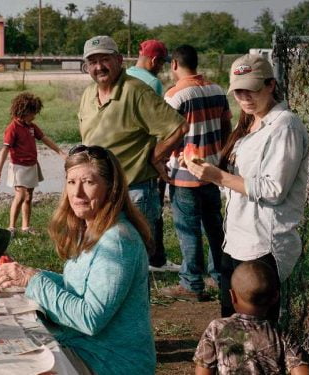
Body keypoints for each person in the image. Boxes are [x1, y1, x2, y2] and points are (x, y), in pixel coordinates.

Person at [0, 145, 156, 375]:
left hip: (110, 363)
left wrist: (34, 280)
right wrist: (28, 277)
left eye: (89, 182)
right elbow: (80, 289)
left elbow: (90, 318)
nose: (77, 193)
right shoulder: (94, 229)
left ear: (111, 188)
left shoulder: (117, 241)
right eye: (71, 182)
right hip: (84, 348)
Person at [185, 54, 309, 322]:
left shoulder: (285, 125)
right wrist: (206, 170)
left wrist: (218, 177)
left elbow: (274, 189)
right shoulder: (249, 124)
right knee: (232, 325)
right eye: (238, 90)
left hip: (263, 243)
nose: (245, 97)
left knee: (256, 332)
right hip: (237, 240)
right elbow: (237, 185)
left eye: (252, 89)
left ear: (270, 85)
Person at [79, 35, 189, 269]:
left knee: (132, 262)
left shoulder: (136, 91)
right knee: (103, 259)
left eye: (105, 59)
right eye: (93, 61)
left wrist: (155, 155)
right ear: (86, 66)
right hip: (99, 190)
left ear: (119, 60)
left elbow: (178, 126)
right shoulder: (89, 93)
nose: (99, 67)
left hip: (134, 192)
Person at [159, 45, 231, 302]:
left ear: (175, 64)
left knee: (187, 229)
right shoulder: (216, 89)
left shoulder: (176, 96)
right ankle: (220, 276)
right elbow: (226, 125)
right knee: (214, 226)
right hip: (211, 171)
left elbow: (167, 134)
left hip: (184, 172)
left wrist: (157, 158)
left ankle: (191, 283)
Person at [194, 260, 309, 374]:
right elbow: (302, 371)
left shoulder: (216, 328)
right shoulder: (280, 333)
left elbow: (203, 371)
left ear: (232, 296)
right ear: (275, 297)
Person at [125, 39, 180, 273]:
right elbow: (158, 126)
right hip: (146, 159)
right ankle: (153, 259)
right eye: (161, 63)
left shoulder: (125, 75)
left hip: (124, 160)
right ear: (155, 60)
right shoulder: (153, 84)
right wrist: (159, 159)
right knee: (151, 211)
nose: (162, 68)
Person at [0, 92, 65, 235]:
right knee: (20, 195)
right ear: (23, 112)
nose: (34, 116)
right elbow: (5, 150)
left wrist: (60, 152)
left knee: (29, 196)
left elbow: (44, 139)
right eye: (33, 113)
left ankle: (25, 227)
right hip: (18, 167)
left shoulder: (31, 126)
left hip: (32, 165)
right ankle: (11, 227)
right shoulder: (12, 128)